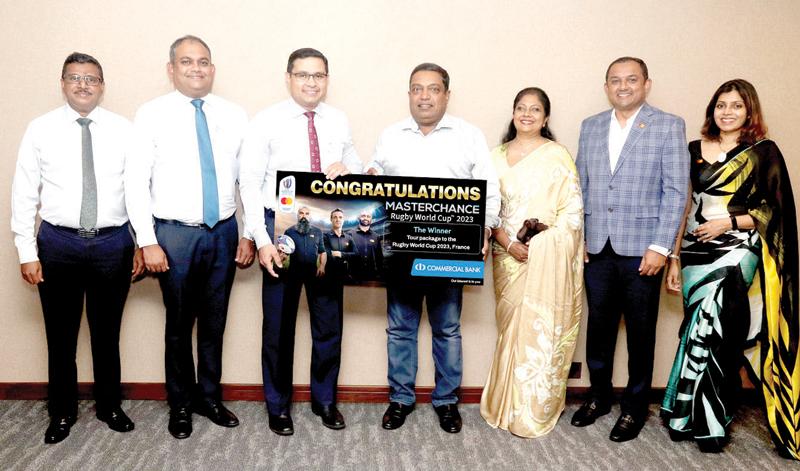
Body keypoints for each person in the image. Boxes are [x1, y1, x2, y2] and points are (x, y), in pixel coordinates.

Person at [11, 52, 144, 444]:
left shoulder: (124, 130)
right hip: (58, 243)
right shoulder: (40, 129)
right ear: (63, 83)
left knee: (107, 333)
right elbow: (23, 192)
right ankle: (62, 411)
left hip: (112, 243)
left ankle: (109, 406)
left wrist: (141, 241)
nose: (83, 85)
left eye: (91, 79)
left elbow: (136, 190)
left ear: (102, 86)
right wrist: (26, 251)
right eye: (75, 77)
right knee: (61, 335)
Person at [662, 79, 799, 458]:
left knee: (719, 331)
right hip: (693, 252)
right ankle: (683, 412)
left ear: (749, 111)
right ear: (712, 110)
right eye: (721, 105)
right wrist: (674, 257)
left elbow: (775, 210)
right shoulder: (692, 150)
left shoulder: (763, 152)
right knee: (695, 327)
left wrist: (728, 223)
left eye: (736, 106)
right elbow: (682, 205)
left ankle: (711, 421)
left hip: (737, 250)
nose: (727, 112)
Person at [127, 35, 254, 440]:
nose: (196, 68)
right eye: (186, 62)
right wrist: (147, 240)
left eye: (203, 62)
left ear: (212, 69)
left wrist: (249, 232)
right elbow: (135, 181)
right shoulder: (151, 114)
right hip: (174, 235)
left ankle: (209, 397)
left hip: (223, 231)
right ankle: (180, 404)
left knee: (215, 324)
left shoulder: (234, 114)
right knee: (179, 325)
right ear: (171, 69)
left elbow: (247, 179)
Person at [367, 63, 501, 433]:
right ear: (409, 94)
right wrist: (369, 176)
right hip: (400, 250)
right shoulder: (390, 134)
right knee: (400, 328)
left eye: (432, 89)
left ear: (446, 94)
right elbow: (372, 176)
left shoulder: (469, 135)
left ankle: (446, 401)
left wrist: (485, 230)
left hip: (450, 250)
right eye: (416, 89)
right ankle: (401, 399)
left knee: (447, 328)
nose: (424, 96)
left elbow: (488, 187)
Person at [239, 47, 361, 435]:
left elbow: (357, 167)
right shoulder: (266, 121)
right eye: (304, 75)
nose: (312, 82)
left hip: (325, 229)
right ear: (288, 77)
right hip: (280, 231)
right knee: (278, 324)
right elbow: (249, 185)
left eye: (319, 75)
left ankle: (325, 400)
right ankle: (278, 406)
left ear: (327, 79)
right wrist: (260, 239)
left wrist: (349, 168)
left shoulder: (338, 120)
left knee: (328, 322)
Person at [572, 56, 689, 442]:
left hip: (643, 249)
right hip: (597, 246)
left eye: (631, 80)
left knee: (641, 332)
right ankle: (599, 396)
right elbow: (580, 187)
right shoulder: (590, 127)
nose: (623, 86)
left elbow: (675, 191)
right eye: (615, 81)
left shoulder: (668, 126)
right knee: (599, 328)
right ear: (606, 87)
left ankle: (635, 407)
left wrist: (661, 247)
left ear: (646, 84)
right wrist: (580, 240)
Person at [480, 87, 584, 438]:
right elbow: (484, 210)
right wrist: (508, 244)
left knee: (534, 331)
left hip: (542, 258)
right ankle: (503, 402)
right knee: (509, 327)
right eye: (521, 108)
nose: (527, 114)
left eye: (535, 109)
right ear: (513, 113)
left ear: (546, 117)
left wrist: (540, 245)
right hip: (505, 256)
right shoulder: (493, 156)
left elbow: (572, 214)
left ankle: (529, 408)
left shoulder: (558, 156)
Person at [349, 208, 384, 282]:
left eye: (368, 216)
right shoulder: (350, 234)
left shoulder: (376, 236)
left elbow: (379, 257)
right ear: (359, 217)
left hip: (371, 276)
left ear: (371, 219)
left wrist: (380, 273)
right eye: (363, 216)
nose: (366, 218)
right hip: (353, 276)